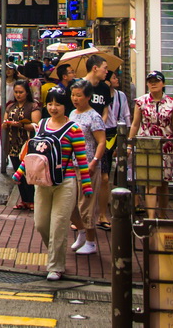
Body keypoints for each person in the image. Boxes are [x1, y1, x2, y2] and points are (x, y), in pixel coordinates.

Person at [13, 88, 92, 281]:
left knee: (59, 225)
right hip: (42, 183)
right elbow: (33, 152)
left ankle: (56, 266)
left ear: (65, 106)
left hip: (66, 182)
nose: (53, 108)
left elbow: (81, 158)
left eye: (57, 104)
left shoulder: (74, 129)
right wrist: (20, 172)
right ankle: (56, 253)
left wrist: (87, 185)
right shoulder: (41, 125)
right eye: (50, 104)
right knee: (41, 224)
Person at [128, 71, 173, 219]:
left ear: (163, 84)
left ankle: (163, 214)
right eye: (150, 81)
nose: (153, 83)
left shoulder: (172, 103)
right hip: (146, 145)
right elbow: (135, 124)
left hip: (167, 147)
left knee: (164, 183)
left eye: (156, 81)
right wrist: (129, 144)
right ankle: (151, 218)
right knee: (150, 182)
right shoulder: (140, 102)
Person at [67, 79, 107, 255]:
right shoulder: (73, 114)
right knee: (70, 204)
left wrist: (94, 161)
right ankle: (82, 234)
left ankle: (91, 241)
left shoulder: (94, 117)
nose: (75, 98)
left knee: (87, 204)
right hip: (71, 165)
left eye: (79, 95)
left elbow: (101, 142)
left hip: (87, 166)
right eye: (73, 95)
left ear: (88, 97)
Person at [97, 70, 132, 228]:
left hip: (117, 133)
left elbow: (126, 115)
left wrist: (127, 137)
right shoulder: (99, 95)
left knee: (120, 169)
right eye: (114, 77)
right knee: (104, 174)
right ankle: (103, 208)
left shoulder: (120, 96)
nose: (117, 79)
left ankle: (115, 200)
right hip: (102, 134)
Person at [5, 79, 41, 211]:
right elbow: (5, 120)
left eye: (21, 92)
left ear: (27, 93)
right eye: (16, 92)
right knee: (18, 173)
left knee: (28, 173)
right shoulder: (10, 106)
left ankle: (32, 200)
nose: (18, 95)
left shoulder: (33, 106)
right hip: (13, 143)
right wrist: (6, 124)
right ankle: (24, 200)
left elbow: (36, 125)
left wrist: (22, 125)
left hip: (27, 144)